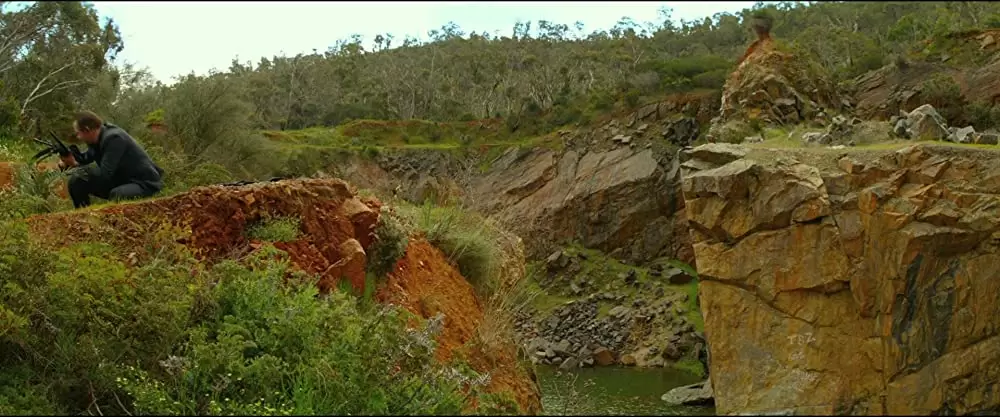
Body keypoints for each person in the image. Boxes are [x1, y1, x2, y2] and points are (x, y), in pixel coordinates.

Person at [59, 111, 165, 208]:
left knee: (118, 194)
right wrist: (68, 161)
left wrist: (75, 164)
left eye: (78, 133)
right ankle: (83, 216)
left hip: (144, 183)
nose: (78, 137)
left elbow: (105, 174)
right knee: (77, 180)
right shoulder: (97, 139)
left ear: (87, 130)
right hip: (123, 179)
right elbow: (85, 158)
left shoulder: (114, 138)